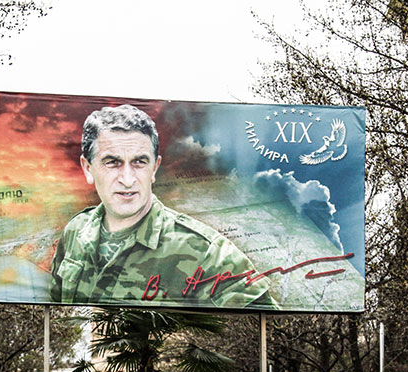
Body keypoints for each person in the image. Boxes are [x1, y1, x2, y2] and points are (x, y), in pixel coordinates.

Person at [49, 104, 273, 309]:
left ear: (154, 168)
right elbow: (57, 313)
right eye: (112, 162)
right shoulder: (75, 232)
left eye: (139, 162)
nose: (127, 179)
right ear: (88, 168)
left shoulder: (207, 253)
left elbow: (265, 332)